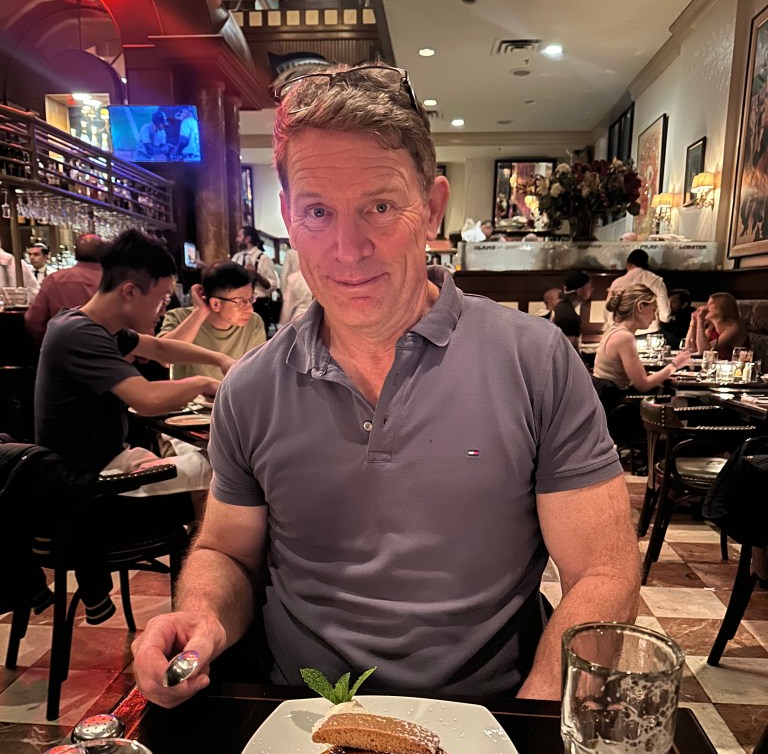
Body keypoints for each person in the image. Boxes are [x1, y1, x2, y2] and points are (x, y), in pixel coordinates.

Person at [132, 61, 640, 710]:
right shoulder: (250, 389)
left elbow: (603, 570)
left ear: (431, 208)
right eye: (318, 211)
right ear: (288, 215)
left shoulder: (535, 362)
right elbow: (227, 555)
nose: (348, 248)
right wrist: (202, 615)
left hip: (487, 714)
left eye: (379, 206)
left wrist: (531, 722)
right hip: (302, 720)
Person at [34, 229, 232, 486]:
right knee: (222, 467)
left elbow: (160, 349)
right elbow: (148, 399)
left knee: (210, 463)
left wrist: (221, 360)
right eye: (163, 299)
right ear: (129, 292)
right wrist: (203, 383)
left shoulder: (91, 326)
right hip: (84, 479)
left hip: (105, 461)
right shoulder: (79, 334)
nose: (163, 310)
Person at [158, 261, 266, 378]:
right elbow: (164, 359)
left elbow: (257, 371)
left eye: (251, 299)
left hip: (233, 390)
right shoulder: (179, 317)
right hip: (190, 390)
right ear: (215, 304)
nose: (250, 309)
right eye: (241, 302)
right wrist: (200, 312)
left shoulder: (253, 322)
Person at [594, 283, 690, 396]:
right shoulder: (625, 337)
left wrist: (659, 376)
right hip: (616, 402)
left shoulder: (614, 331)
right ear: (640, 307)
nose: (654, 317)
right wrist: (674, 365)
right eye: (653, 310)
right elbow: (643, 385)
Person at [24, 233, 104, 344]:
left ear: (75, 253)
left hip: (63, 348)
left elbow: (33, 318)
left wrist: (50, 340)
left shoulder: (54, 279)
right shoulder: (116, 280)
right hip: (106, 348)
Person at [606, 249, 670, 336]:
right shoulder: (656, 281)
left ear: (628, 264)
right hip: (650, 333)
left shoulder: (617, 282)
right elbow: (665, 315)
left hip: (621, 331)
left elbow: (608, 312)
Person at [685, 292, 749, 358]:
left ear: (723, 306)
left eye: (711, 303)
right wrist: (693, 323)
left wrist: (700, 320)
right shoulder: (711, 328)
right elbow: (690, 349)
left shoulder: (735, 328)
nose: (706, 307)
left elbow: (704, 351)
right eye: (707, 304)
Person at [231, 226, 280, 291]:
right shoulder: (236, 257)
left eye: (239, 236)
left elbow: (272, 285)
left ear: (247, 239)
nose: (236, 240)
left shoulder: (264, 259)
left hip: (258, 297)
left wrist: (256, 274)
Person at [278, 248, 314, 326]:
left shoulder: (293, 279)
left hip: (299, 319)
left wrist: (283, 326)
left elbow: (287, 308)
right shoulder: (323, 278)